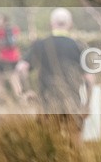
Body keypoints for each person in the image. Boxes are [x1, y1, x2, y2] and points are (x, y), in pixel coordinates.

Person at [17, 8, 95, 140]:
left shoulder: (40, 45)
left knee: (49, 144)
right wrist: (87, 105)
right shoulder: (79, 47)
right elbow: (90, 79)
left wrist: (27, 90)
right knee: (74, 144)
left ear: (51, 23)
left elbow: (21, 68)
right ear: (70, 24)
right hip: (72, 103)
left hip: (47, 103)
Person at [0, 13, 23, 102]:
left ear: (3, 20)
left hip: (3, 58)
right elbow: (17, 41)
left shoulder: (0, 31)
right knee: (14, 78)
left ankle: (1, 99)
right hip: (14, 57)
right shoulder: (15, 29)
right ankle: (19, 98)